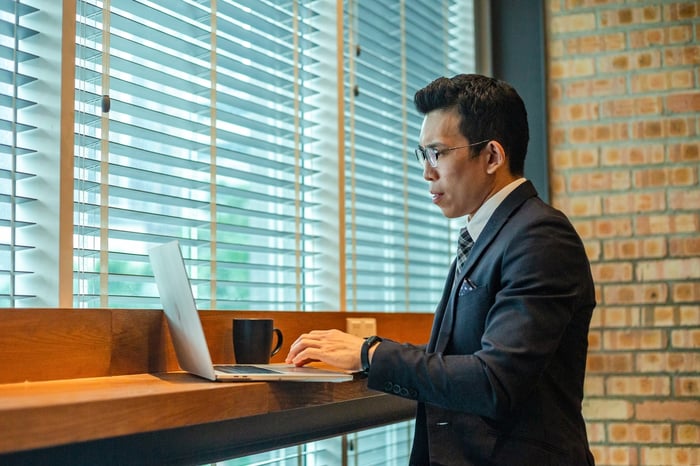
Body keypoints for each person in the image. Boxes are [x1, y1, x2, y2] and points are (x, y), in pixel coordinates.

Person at [286, 74, 596, 465]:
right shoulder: (487, 232)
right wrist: (360, 353)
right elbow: (459, 355)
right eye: (423, 155)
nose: (426, 172)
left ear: (492, 157)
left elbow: (493, 381)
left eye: (438, 153)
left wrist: (371, 355)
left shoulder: (541, 236)